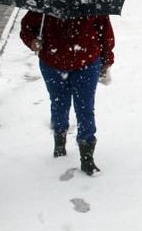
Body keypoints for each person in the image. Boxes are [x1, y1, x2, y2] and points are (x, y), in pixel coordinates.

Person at [20, 12, 114, 175]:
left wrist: (106, 61)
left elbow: (105, 33)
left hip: (87, 63)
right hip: (52, 63)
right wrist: (33, 41)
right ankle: (59, 141)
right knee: (59, 104)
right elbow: (26, 27)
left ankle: (87, 157)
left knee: (85, 108)